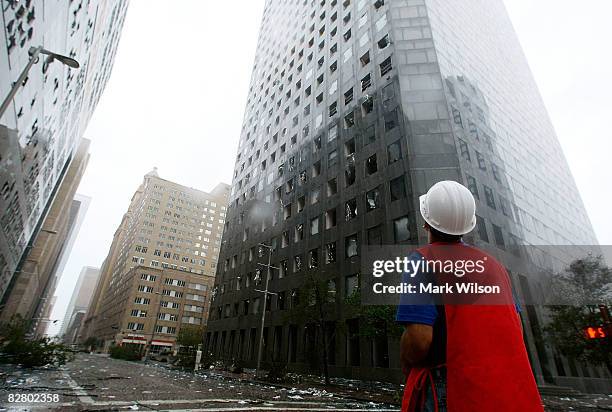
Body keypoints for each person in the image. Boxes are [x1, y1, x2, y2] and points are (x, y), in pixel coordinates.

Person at [396, 180, 543, 411]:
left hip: (450, 385)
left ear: (426, 222)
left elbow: (419, 339)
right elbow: (516, 329)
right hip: (501, 387)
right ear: (469, 225)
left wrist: (406, 363)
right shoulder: (495, 266)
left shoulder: (422, 261)